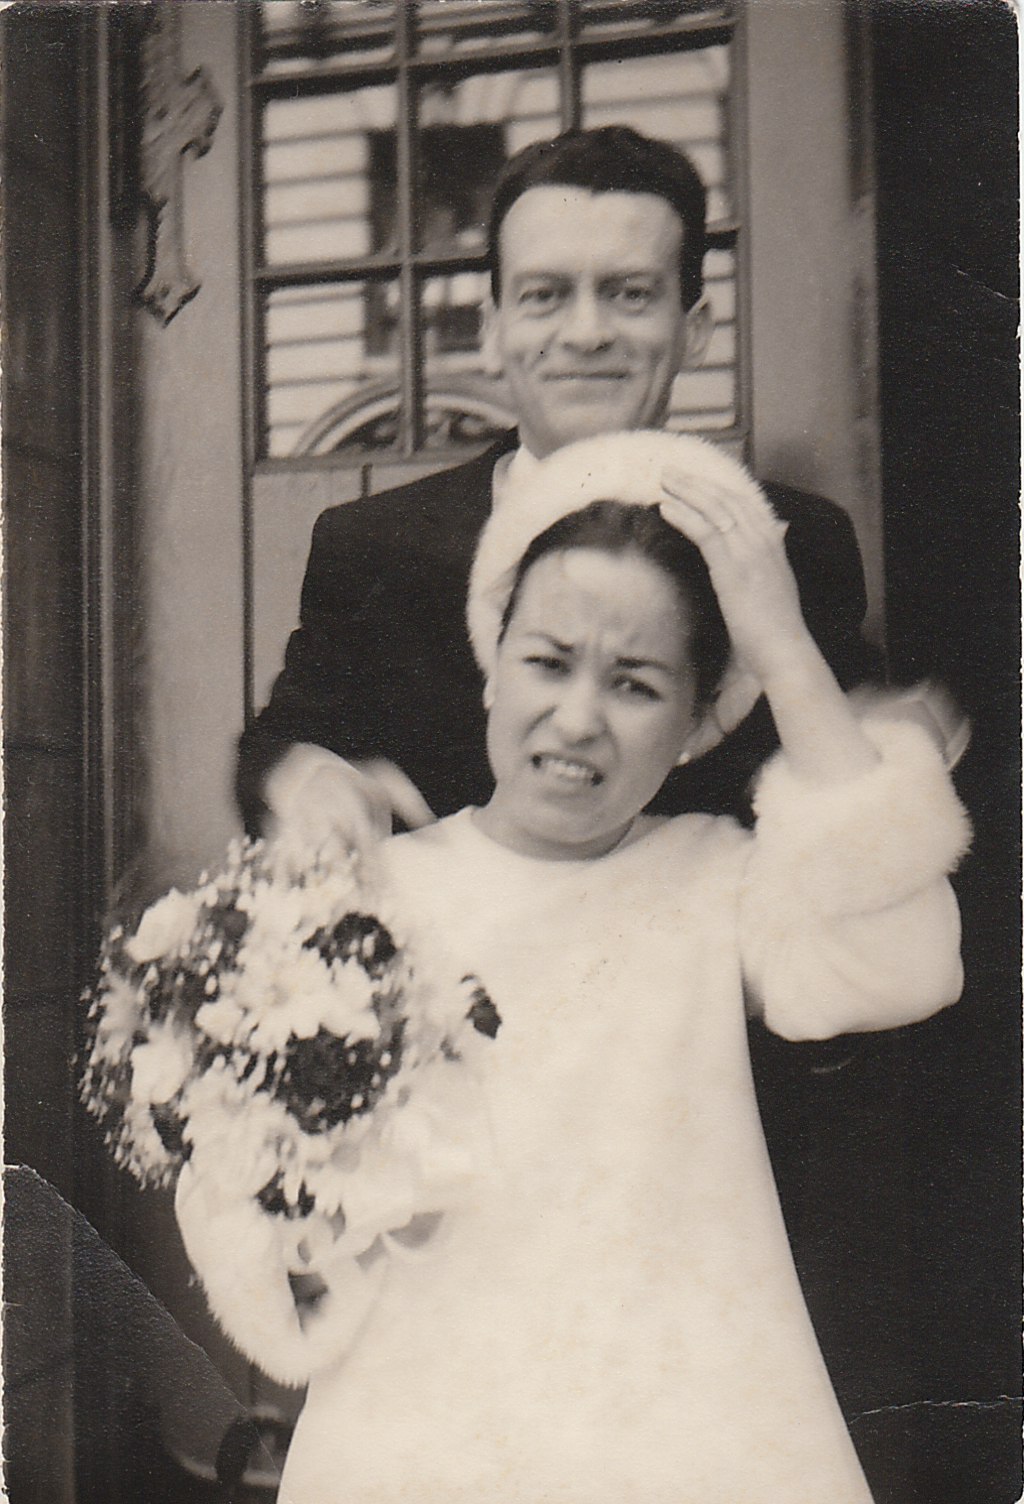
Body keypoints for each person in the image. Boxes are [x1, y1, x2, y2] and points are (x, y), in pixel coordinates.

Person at [181, 433, 969, 1502]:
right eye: (546, 663)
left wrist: (784, 646)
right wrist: (329, 1221)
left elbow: (900, 960)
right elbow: (244, 1202)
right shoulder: (375, 895)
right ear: (490, 666)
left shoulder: (723, 881)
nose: (578, 718)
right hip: (428, 1425)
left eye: (637, 683)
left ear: (696, 725)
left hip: (686, 1418)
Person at [236, 126, 880, 854]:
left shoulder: (795, 542)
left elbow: (861, 791)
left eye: (630, 294)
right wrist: (311, 779)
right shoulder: (376, 546)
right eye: (544, 295)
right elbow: (281, 744)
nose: (585, 332)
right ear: (492, 329)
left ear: (694, 329)